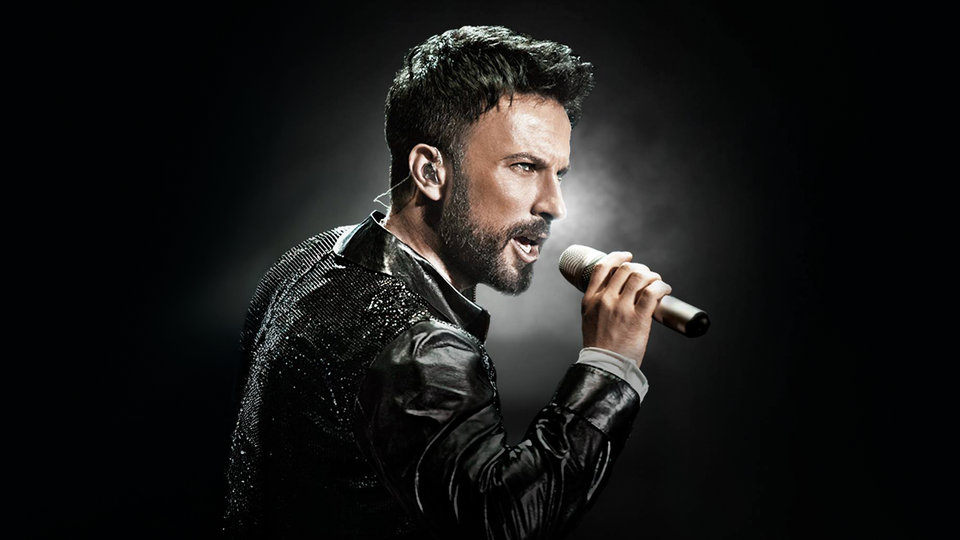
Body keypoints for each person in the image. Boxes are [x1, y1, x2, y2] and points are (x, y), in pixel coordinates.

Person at [225, 25, 672, 539]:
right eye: (524, 167)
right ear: (431, 171)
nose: (554, 205)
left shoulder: (309, 259)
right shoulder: (421, 349)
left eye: (559, 174)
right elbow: (505, 523)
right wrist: (609, 365)